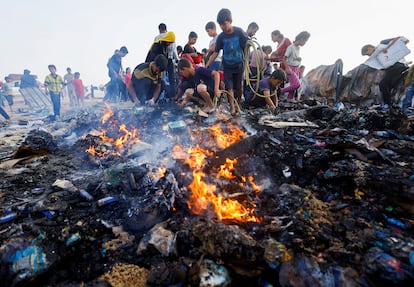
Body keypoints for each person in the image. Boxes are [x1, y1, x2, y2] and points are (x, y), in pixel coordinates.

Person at [205, 8, 249, 115]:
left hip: (239, 65)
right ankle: (232, 107)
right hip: (227, 66)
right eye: (220, 25)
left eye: (224, 24)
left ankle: (238, 102)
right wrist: (207, 64)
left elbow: (247, 46)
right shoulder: (221, 37)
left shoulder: (239, 32)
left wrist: (246, 62)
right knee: (229, 87)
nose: (222, 27)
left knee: (239, 87)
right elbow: (216, 53)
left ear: (230, 21)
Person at [361, 36, 410, 107]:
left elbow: (401, 39)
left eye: (368, 54)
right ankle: (394, 102)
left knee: (383, 85)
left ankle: (388, 105)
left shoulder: (382, 44)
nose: (369, 56)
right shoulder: (376, 57)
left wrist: (387, 48)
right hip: (389, 70)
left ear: (370, 48)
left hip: (397, 66)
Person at [146, 29, 178, 98]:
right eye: (169, 42)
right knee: (160, 81)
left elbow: (170, 57)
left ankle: (172, 96)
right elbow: (152, 58)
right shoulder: (157, 45)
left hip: (164, 63)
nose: (170, 44)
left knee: (170, 79)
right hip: (156, 65)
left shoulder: (168, 46)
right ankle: (159, 98)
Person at [280, 31, 311, 101]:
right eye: (305, 41)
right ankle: (280, 91)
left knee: (293, 86)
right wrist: (287, 68)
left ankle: (290, 98)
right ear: (301, 39)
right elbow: (284, 58)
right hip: (290, 67)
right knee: (297, 85)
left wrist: (298, 59)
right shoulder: (291, 47)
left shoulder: (298, 48)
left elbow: (293, 58)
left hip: (296, 68)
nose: (305, 43)